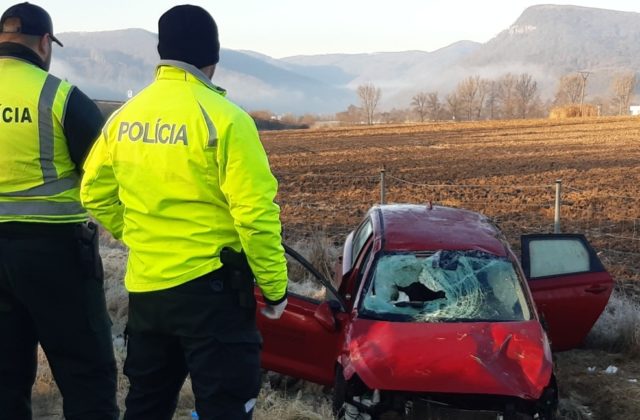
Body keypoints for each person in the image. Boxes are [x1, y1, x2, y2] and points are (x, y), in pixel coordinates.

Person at [80, 5, 289, 420]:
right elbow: (254, 215)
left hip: (147, 292)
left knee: (146, 404)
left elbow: (93, 193)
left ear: (163, 53)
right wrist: (275, 287)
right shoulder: (227, 120)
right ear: (212, 57)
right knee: (226, 407)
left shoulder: (123, 118)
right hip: (213, 295)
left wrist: (140, 236)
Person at [0, 3, 118, 420]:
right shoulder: (61, 96)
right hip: (56, 255)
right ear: (45, 43)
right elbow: (106, 179)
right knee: (87, 375)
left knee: (4, 380)